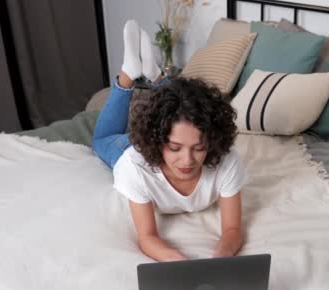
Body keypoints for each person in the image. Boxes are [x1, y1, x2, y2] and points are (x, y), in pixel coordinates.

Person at [92, 20, 246, 262]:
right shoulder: (135, 166)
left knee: (182, 102)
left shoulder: (227, 163)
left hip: (161, 131)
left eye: (199, 147)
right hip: (131, 149)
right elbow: (148, 237)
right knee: (101, 140)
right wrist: (181, 264)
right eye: (175, 148)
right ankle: (127, 76)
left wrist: (221, 259)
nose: (187, 160)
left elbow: (233, 230)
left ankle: (157, 78)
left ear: (213, 142)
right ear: (158, 141)